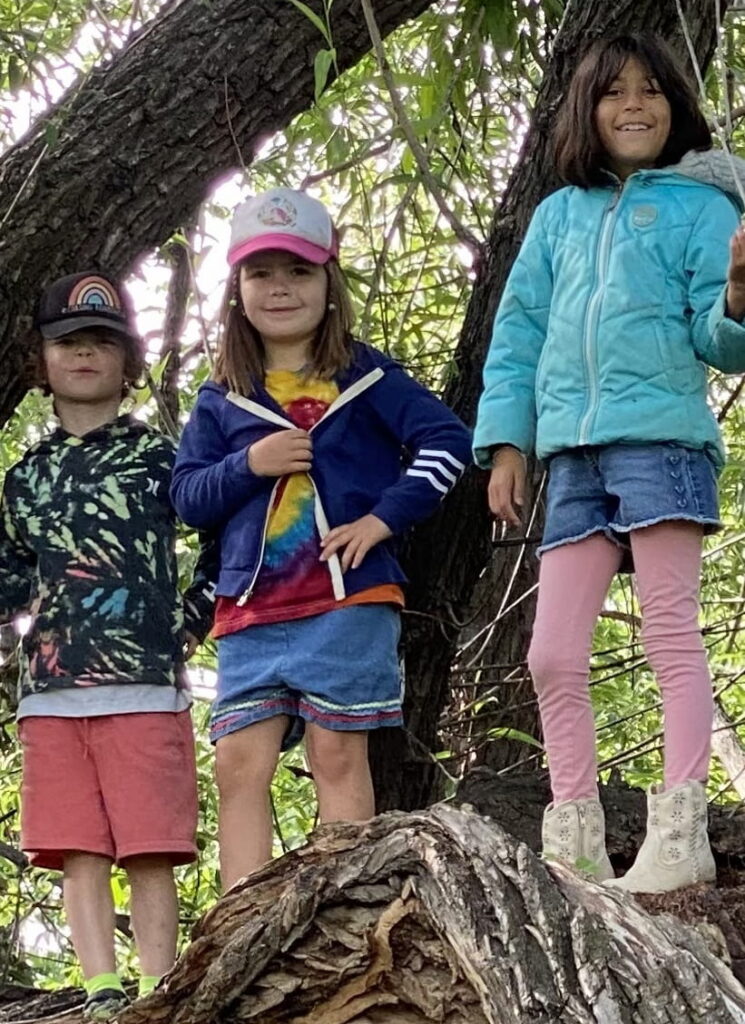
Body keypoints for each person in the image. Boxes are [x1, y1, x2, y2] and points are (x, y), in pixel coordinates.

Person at [473, 34, 745, 894]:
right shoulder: (559, 214)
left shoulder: (702, 208)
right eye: (613, 91)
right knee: (551, 654)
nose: (633, 105)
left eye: (650, 90)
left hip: (662, 440)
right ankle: (575, 842)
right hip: (571, 457)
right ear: (584, 110)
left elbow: (718, 339)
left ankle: (680, 832)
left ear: (675, 106)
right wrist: (507, 444)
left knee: (667, 629)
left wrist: (739, 297)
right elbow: (518, 335)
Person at [171, 187, 471, 891]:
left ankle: (341, 909)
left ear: (329, 283)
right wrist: (250, 464)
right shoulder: (222, 394)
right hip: (249, 609)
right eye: (261, 273)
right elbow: (187, 497)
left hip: (346, 602)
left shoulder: (368, 377)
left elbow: (447, 441)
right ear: (238, 291)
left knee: (337, 754)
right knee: (238, 764)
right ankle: (240, 916)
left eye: (299, 271)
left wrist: (382, 519)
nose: (280, 288)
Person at [0, 272, 215, 1020]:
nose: (85, 354)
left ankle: (159, 989)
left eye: (102, 342)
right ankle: (99, 989)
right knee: (77, 848)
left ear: (130, 361)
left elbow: (223, 540)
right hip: (51, 693)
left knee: (151, 847)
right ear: (41, 361)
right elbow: (9, 579)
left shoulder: (163, 459)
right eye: (68, 343)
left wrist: (193, 619)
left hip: (146, 685)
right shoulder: (25, 479)